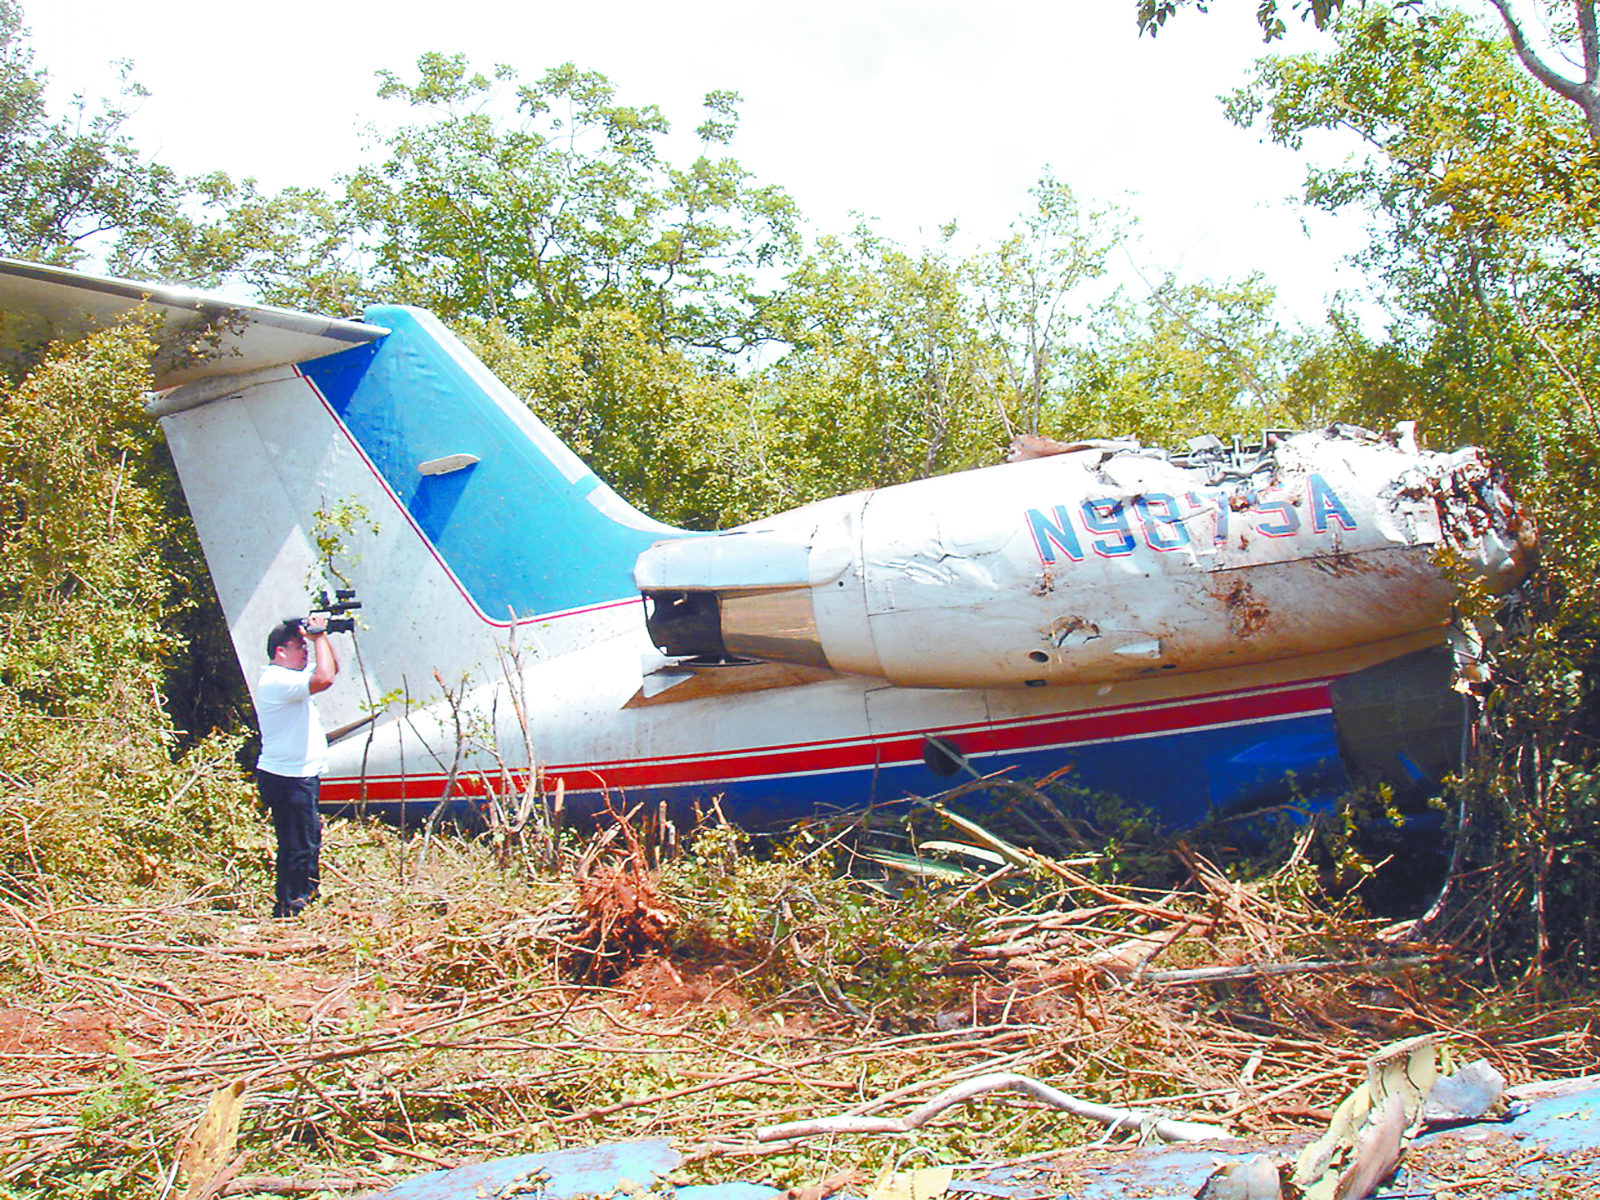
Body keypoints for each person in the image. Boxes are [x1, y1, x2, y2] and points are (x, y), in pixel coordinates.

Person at [256, 614, 339, 917]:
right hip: (287, 778)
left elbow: (331, 669)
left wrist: (323, 638)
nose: (305, 652)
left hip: (301, 774)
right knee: (296, 843)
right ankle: (289, 905)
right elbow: (326, 679)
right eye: (299, 647)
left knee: (309, 837)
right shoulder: (277, 680)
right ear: (281, 651)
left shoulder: (291, 679)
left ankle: (307, 894)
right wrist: (318, 638)